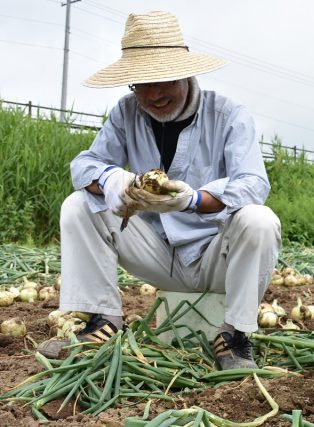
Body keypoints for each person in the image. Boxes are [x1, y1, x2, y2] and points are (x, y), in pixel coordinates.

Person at [37, 11, 281, 370]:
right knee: (79, 205)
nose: (153, 94)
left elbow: (253, 184)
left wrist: (194, 200)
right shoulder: (126, 113)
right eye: (140, 83)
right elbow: (83, 166)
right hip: (154, 253)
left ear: (185, 72)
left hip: (215, 256)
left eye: (162, 79)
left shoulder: (229, 115)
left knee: (259, 220)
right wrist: (110, 180)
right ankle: (104, 321)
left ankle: (235, 335)